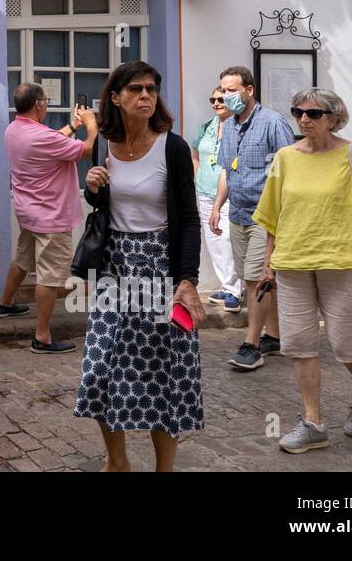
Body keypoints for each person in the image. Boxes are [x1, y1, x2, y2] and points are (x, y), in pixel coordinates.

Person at [77, 61, 206, 472]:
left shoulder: (173, 147)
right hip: (113, 269)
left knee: (161, 375)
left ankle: (164, 469)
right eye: (136, 89)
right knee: (99, 368)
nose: (146, 96)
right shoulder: (104, 145)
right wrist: (93, 189)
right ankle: (118, 461)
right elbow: (103, 206)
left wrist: (187, 280)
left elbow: (188, 218)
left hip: (158, 269)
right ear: (116, 97)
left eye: (151, 89)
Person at [252, 89, 352, 454]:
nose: (304, 119)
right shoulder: (284, 158)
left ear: (333, 117)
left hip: (344, 261)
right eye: (298, 112)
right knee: (298, 344)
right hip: (293, 263)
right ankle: (314, 423)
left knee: (346, 344)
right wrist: (267, 265)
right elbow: (272, 217)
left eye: (313, 113)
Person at [0, 83, 97, 352]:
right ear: (37, 105)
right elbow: (86, 150)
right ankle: (42, 336)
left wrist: (73, 125)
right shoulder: (42, 138)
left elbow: (53, 140)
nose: (47, 103)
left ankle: (4, 304)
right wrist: (91, 124)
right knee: (50, 275)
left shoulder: (14, 129)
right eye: (45, 100)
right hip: (51, 214)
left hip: (28, 210)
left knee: (23, 258)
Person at [211, 65, 296, 371]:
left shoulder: (273, 123)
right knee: (260, 280)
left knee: (254, 279)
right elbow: (226, 170)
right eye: (223, 89)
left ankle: (251, 344)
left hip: (266, 217)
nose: (226, 95)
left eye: (231, 90)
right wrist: (218, 206)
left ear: (249, 91)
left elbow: (291, 171)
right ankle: (273, 337)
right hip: (237, 214)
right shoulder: (230, 125)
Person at [191, 86, 241, 312]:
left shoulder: (239, 126)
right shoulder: (207, 126)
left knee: (228, 240)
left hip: (229, 192)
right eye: (213, 99)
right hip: (205, 192)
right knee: (213, 241)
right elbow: (196, 152)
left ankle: (234, 291)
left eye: (221, 99)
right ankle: (227, 285)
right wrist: (198, 175)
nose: (216, 103)